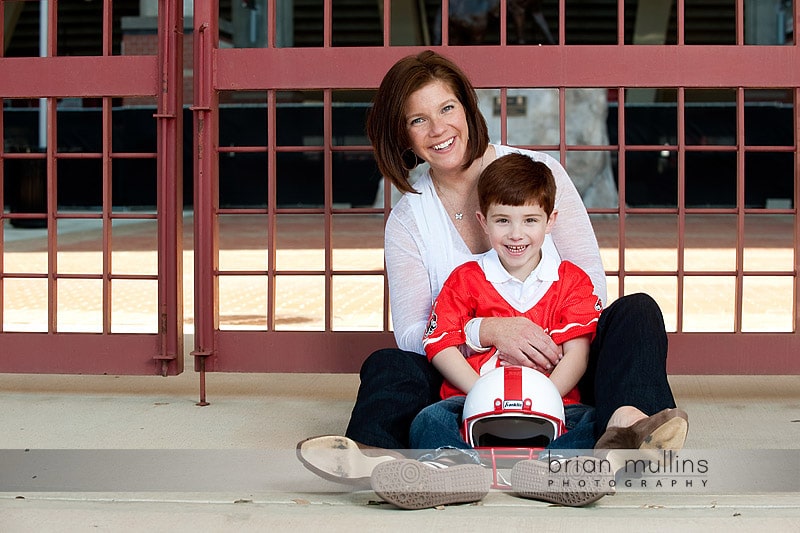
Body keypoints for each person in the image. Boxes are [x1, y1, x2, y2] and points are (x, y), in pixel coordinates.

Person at [296, 50, 688, 501]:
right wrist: (490, 331)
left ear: (467, 107)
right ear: (401, 135)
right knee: (389, 365)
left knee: (637, 311)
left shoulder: (539, 174)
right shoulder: (409, 219)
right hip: (467, 375)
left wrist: (538, 354)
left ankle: (624, 432)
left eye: (446, 109)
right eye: (418, 120)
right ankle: (379, 459)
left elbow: (589, 285)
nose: (439, 129)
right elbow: (412, 332)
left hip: (559, 362)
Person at [369, 153, 609, 510]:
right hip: (471, 401)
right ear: (483, 221)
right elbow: (440, 343)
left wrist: (550, 395)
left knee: (594, 420)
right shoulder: (466, 279)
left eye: (530, 220)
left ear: (551, 220)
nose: (516, 234)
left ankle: (553, 470)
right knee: (430, 418)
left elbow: (578, 351)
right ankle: (453, 469)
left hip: (553, 406)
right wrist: (478, 390)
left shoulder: (570, 281)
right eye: (502, 220)